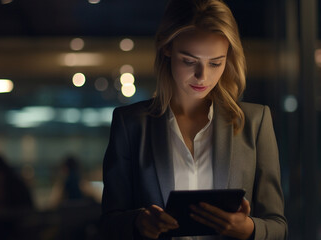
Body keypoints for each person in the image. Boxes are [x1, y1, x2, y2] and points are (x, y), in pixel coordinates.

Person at [101, 0, 287, 239]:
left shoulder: (255, 122)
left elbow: (278, 226)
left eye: (215, 63)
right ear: (166, 48)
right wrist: (139, 223)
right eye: (189, 61)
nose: (203, 76)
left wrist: (248, 229)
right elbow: (108, 224)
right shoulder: (131, 124)